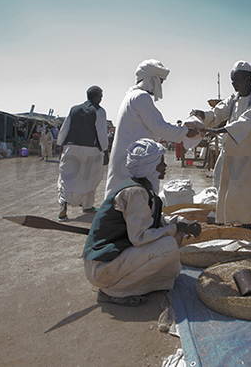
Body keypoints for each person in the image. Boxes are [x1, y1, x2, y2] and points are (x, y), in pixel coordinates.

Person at [82, 138, 201, 306]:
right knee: (168, 245)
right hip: (101, 268)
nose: (165, 166)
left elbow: (155, 220)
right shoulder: (136, 192)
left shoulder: (144, 190)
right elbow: (140, 237)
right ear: (149, 167)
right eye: (161, 162)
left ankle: (136, 285)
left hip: (110, 262)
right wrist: (176, 228)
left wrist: (181, 223)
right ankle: (113, 291)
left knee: (171, 245)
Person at [191, 60, 251, 234]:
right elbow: (218, 112)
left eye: (236, 80)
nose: (233, 84)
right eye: (232, 80)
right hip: (239, 154)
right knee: (240, 191)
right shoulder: (233, 99)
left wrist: (220, 129)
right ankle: (246, 225)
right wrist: (202, 114)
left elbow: (248, 121)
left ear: (248, 78)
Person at [104, 59, 199, 199]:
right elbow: (160, 127)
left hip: (130, 156)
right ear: (152, 80)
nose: (160, 86)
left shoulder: (131, 96)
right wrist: (187, 132)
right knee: (134, 197)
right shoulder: (141, 97)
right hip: (136, 158)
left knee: (123, 194)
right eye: (160, 82)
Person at [56, 85, 109, 221]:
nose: (101, 99)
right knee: (90, 177)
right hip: (91, 149)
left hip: (71, 147)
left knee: (66, 178)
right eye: (101, 96)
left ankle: (63, 207)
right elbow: (101, 132)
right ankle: (88, 206)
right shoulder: (99, 111)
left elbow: (65, 128)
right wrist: (105, 150)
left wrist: (60, 144)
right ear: (96, 97)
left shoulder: (74, 109)